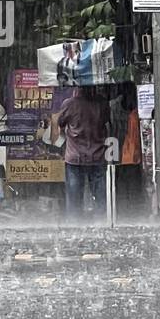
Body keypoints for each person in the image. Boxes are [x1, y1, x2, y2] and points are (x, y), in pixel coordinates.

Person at [52, 87, 110, 221]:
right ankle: (101, 225)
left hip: (75, 158)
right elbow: (106, 121)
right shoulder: (102, 103)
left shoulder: (70, 104)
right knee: (100, 198)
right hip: (98, 155)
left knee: (74, 199)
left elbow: (59, 122)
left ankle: (75, 226)